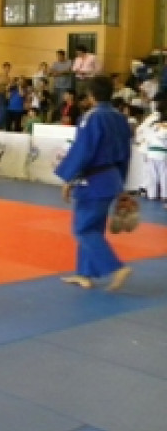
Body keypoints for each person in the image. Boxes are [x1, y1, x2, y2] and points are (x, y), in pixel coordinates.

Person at [54, 76, 133, 291]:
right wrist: (121, 182)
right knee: (94, 228)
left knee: (83, 229)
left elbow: (83, 151)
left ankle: (115, 267)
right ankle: (84, 274)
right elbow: (126, 153)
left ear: (90, 95)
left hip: (93, 180)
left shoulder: (92, 118)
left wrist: (69, 178)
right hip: (112, 178)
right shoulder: (119, 118)